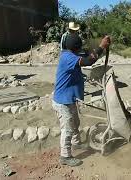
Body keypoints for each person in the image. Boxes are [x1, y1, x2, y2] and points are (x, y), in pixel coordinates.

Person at [52, 33, 111, 167]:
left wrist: (99, 48)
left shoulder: (69, 54)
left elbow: (86, 56)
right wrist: (102, 46)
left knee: (75, 123)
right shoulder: (68, 58)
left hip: (69, 99)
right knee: (67, 128)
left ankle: (76, 143)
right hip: (62, 102)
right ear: (76, 47)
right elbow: (89, 61)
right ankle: (65, 156)